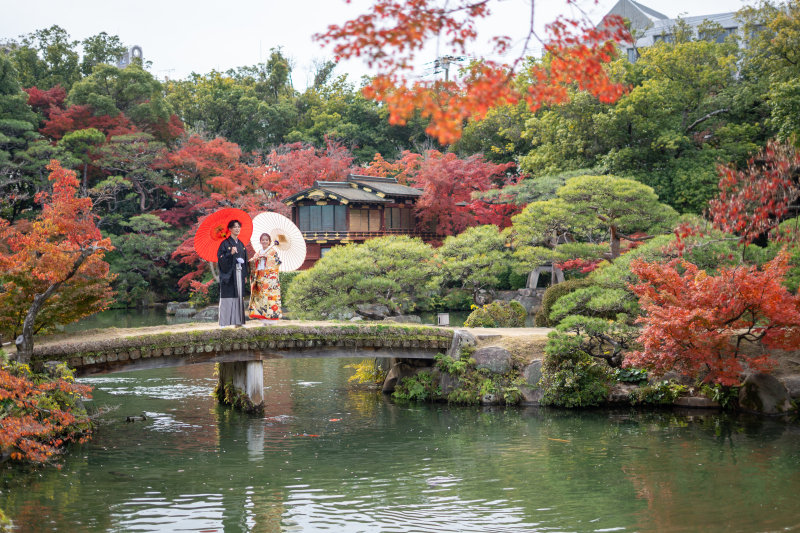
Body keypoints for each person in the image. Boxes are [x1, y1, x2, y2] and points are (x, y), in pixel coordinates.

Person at [217, 219, 249, 327]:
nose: (237, 229)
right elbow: (220, 258)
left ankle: (239, 322)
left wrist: (245, 275)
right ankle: (223, 323)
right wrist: (230, 253)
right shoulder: (224, 243)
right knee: (227, 298)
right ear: (230, 229)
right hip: (229, 275)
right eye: (235, 227)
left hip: (239, 274)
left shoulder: (241, 244)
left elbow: (245, 260)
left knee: (239, 297)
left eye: (239, 227)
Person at [248, 232, 282, 323]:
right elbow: (251, 262)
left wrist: (267, 257)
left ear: (269, 241)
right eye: (263, 240)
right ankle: (262, 319)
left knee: (269, 299)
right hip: (259, 277)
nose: (264, 241)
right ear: (260, 241)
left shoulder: (273, 252)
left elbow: (277, 262)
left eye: (266, 240)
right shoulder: (258, 252)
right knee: (260, 298)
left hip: (269, 279)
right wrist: (257, 259)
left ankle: (271, 319)